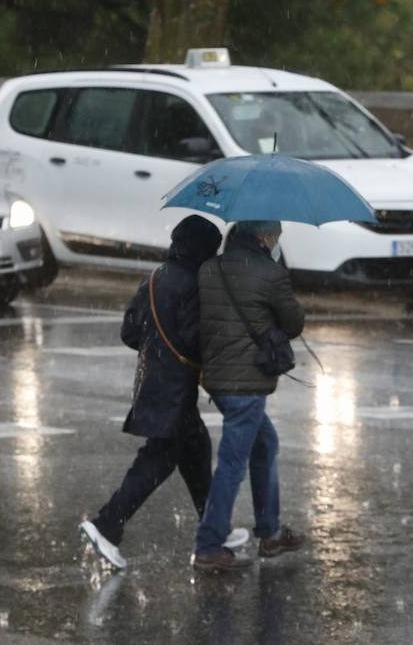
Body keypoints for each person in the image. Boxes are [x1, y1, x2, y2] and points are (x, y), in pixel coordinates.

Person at [80, 215, 248, 570]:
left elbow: (129, 332)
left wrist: (157, 345)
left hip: (156, 383)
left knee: (196, 448)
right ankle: (106, 525)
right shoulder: (193, 284)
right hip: (174, 389)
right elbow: (193, 339)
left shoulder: (155, 278)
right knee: (156, 461)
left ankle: (215, 527)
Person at [192, 219, 307, 572]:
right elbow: (293, 324)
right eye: (276, 237)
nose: (277, 243)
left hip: (218, 380)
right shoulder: (270, 274)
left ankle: (270, 532)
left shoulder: (209, 269)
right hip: (247, 384)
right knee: (232, 463)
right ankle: (209, 545)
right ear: (263, 238)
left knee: (264, 443)